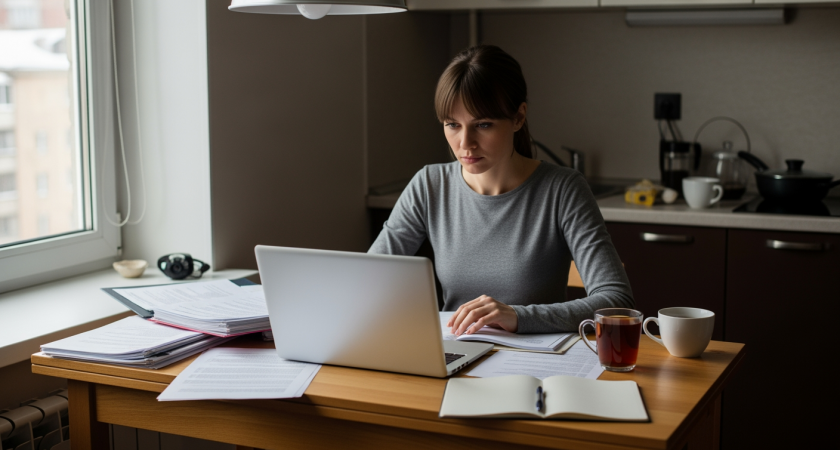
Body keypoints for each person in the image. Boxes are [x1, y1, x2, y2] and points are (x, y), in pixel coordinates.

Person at [368, 45, 633, 336]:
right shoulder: (429, 185)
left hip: (535, 365)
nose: (465, 143)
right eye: (452, 125)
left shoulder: (563, 189)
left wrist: (517, 316)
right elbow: (367, 279)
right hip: (456, 355)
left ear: (518, 118)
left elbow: (616, 302)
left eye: (483, 124)